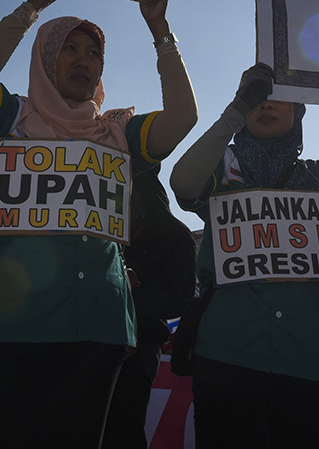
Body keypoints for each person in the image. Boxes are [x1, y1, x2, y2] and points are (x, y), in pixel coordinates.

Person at [0, 0, 197, 448]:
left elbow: (182, 117)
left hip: (96, 332)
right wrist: (36, 4)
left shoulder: (118, 133)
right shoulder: (8, 122)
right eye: (71, 49)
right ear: (45, 56)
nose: (84, 60)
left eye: (94, 53)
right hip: (5, 332)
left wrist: (161, 30)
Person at [168, 62, 319, 449]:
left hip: (306, 364)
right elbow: (183, 184)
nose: (265, 105)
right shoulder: (224, 165)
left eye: (278, 97)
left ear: (299, 111)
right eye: (256, 98)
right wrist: (234, 112)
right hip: (227, 358)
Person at [101, 168, 196, 449]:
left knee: (123, 427)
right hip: (92, 342)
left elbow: (180, 297)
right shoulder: (99, 230)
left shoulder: (175, 235)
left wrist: (127, 298)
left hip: (139, 347)